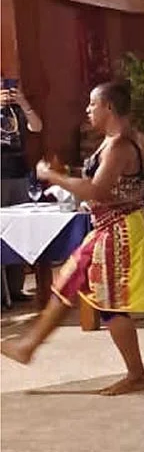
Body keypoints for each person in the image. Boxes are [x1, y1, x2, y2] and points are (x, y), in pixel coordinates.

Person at [1, 82, 144, 394]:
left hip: (121, 229)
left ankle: (137, 374)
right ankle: (28, 346)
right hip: (109, 226)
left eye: (92, 104)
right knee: (67, 281)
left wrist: (54, 176)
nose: (88, 110)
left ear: (109, 107)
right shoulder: (122, 139)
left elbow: (96, 190)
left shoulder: (120, 145)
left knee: (112, 305)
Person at [1, 81, 43, 301]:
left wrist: (23, 103)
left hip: (19, 172)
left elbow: (37, 127)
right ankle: (2, 293)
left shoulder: (16, 109)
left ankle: (15, 288)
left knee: (18, 230)